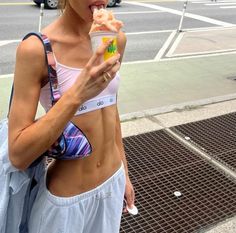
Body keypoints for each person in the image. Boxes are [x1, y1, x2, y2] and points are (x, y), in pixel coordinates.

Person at [8, 0, 135, 232]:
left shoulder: (115, 39)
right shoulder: (36, 50)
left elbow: (111, 109)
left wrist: (124, 173)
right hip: (66, 203)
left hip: (112, 184)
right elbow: (18, 154)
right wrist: (78, 94)